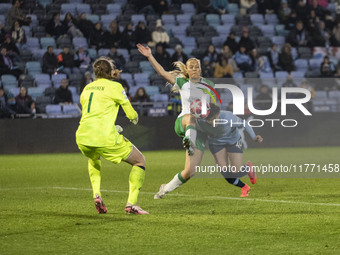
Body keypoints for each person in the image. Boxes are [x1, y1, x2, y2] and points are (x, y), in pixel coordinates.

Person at [137, 43, 215, 199]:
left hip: (198, 130)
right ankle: (189, 141)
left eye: (196, 66)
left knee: (190, 172)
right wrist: (150, 56)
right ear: (186, 70)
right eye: (191, 67)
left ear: (200, 69)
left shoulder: (209, 85)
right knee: (192, 116)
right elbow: (162, 72)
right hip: (184, 122)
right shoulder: (182, 83)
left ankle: (164, 189)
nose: (194, 69)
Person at [75, 56, 148, 214]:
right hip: (104, 137)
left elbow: (94, 114)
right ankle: (131, 205)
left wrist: (112, 126)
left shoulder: (87, 88)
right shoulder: (115, 87)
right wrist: (135, 118)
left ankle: (96, 194)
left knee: (93, 158)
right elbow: (130, 114)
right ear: (110, 71)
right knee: (139, 161)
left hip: (83, 136)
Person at [196, 104, 263, 197]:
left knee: (237, 171)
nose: (211, 122)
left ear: (219, 114)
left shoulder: (228, 117)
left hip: (233, 141)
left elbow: (244, 124)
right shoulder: (200, 121)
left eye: (213, 119)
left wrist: (254, 137)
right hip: (216, 144)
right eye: (208, 120)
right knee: (226, 173)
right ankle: (244, 187)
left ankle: (248, 168)